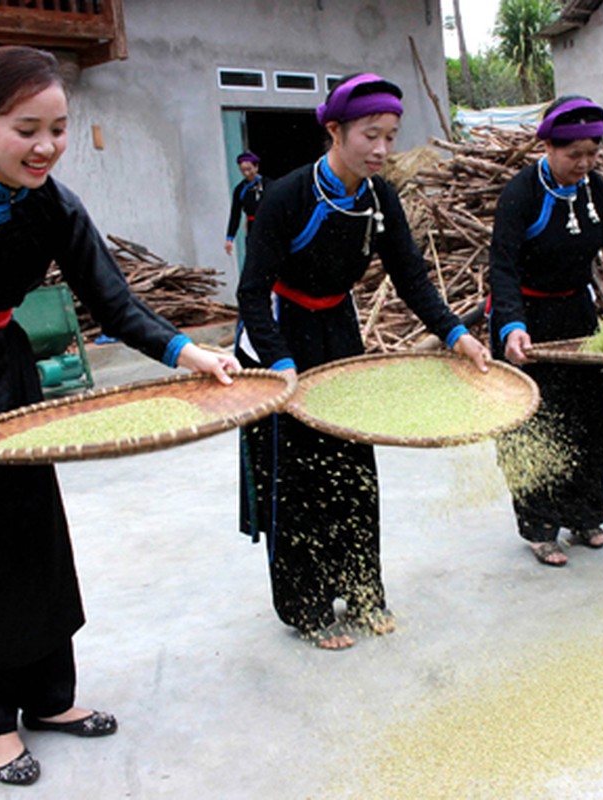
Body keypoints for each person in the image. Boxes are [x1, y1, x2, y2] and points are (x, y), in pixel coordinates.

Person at [0, 45, 238, 787]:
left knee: (31, 534)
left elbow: (113, 300)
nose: (46, 147)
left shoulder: (53, 203)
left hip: (6, 372)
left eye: (58, 128)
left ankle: (49, 699)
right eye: (26, 129)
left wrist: (189, 353)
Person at [235, 73, 489, 650]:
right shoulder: (286, 196)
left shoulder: (380, 199)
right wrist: (278, 364)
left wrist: (456, 335)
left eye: (391, 137)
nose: (381, 149)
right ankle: (309, 608)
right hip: (282, 331)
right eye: (369, 135)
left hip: (339, 331)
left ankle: (364, 590)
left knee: (353, 467)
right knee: (300, 477)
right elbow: (252, 292)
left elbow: (413, 280)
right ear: (334, 130)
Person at [487, 95, 603, 567]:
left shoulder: (596, 192)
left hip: (577, 317)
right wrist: (512, 326)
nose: (583, 163)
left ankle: (585, 515)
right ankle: (540, 526)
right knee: (537, 422)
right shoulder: (522, 193)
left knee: (586, 416)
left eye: (591, 153)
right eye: (573, 154)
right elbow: (501, 267)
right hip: (527, 322)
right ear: (548, 146)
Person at [223, 151, 271, 257]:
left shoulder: (268, 184)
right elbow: (235, 214)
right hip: (252, 227)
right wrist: (230, 238)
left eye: (249, 169)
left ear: (256, 167)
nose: (246, 173)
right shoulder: (240, 190)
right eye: (243, 170)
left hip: (269, 225)